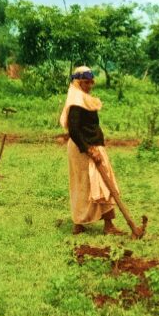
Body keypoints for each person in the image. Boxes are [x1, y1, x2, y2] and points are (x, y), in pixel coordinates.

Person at [61, 66, 124, 235]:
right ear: (78, 83)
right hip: (81, 149)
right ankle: (79, 223)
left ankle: (109, 225)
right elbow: (74, 131)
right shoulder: (76, 101)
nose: (89, 86)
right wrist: (88, 149)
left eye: (91, 82)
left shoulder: (85, 98)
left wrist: (95, 146)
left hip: (94, 146)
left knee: (104, 183)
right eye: (85, 82)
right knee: (82, 184)